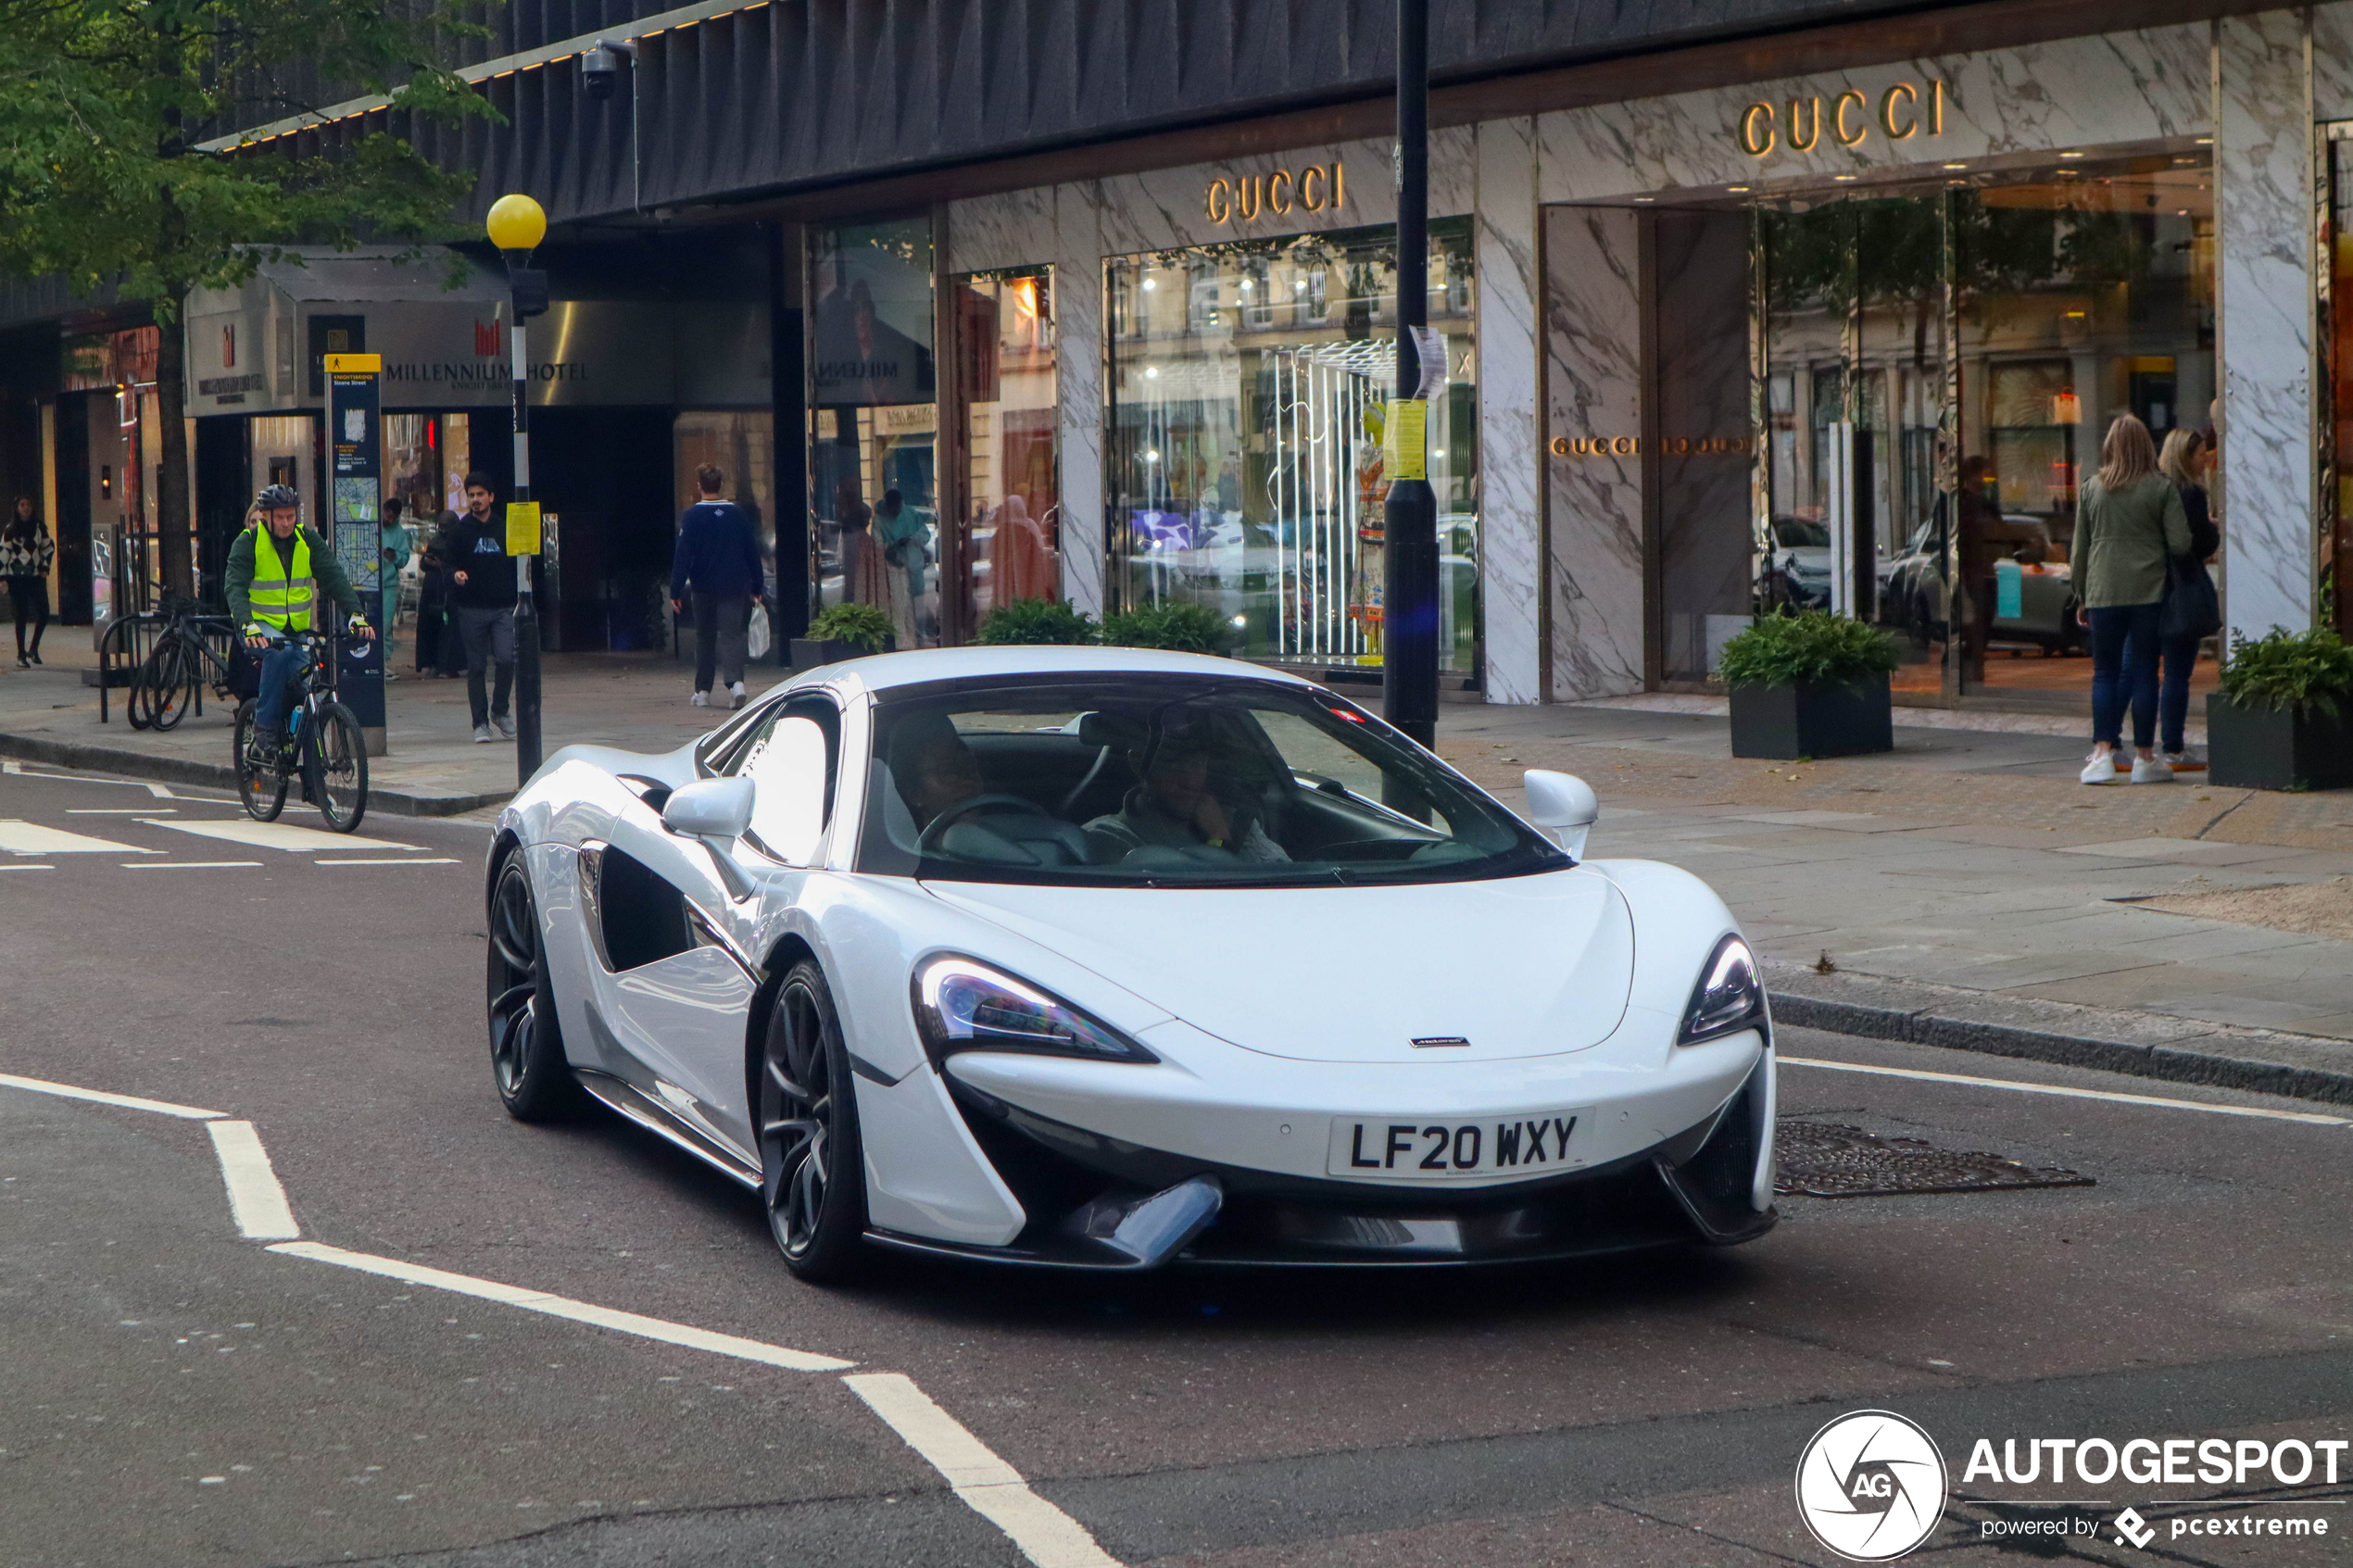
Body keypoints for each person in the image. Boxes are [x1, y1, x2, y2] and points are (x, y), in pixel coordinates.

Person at [2074, 415, 2192, 786]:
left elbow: (2080, 549)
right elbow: (2181, 544)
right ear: (2147, 446)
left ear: (2110, 446)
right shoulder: (2161, 487)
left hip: (2102, 591)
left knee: (2105, 673)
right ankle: (2144, 758)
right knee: (2145, 671)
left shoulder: (2092, 488)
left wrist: (2081, 594)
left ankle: (2102, 755)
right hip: (2149, 591)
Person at [225, 484, 372, 768]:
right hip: (259, 628)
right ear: (266, 516)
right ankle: (264, 728)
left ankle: (312, 779)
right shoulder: (248, 542)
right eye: (280, 517)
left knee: (308, 694)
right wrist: (247, 624)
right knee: (278, 654)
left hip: (297, 631)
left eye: (290, 516)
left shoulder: (307, 540)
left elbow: (333, 576)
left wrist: (355, 613)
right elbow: (235, 587)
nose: (286, 523)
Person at [1087, 724, 1289, 863]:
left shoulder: (1234, 819)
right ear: (1140, 766)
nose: (1189, 780)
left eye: (1196, 764)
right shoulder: (1107, 837)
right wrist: (1218, 839)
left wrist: (1221, 833)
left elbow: (1282, 871)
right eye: (1172, 765)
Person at [669, 464, 765, 709]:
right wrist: (757, 584)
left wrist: (676, 589)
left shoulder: (691, 517)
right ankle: (736, 684)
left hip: (702, 586)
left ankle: (703, 690)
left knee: (705, 637)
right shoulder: (737, 515)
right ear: (720, 486)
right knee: (732, 636)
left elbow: (683, 555)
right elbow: (751, 552)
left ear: (700, 486)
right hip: (733, 586)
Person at [433, 473, 520, 743]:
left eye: (481, 495)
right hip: (471, 609)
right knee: (477, 666)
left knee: (506, 659)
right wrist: (455, 575)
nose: (476, 500)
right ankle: (480, 723)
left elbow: (519, 562)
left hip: (503, 607)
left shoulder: (503, 527)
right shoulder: (461, 531)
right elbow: (447, 565)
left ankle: (500, 711)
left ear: (491, 497)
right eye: (471, 495)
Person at [2157, 428, 2221, 770]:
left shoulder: (2156, 491)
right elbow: (2198, 546)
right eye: (2199, 455)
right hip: (2182, 590)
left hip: (2152, 588)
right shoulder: (2191, 495)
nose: (2205, 460)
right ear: (2186, 457)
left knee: (2141, 671)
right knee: (2178, 674)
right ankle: (2174, 747)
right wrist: (2212, 529)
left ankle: (2138, 748)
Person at [868, 488, 925, 647]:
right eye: (893, 509)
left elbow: (925, 534)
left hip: (913, 568)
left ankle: (916, 640)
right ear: (887, 506)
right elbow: (877, 546)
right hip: (893, 571)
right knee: (898, 609)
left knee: (915, 610)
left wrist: (913, 539)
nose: (896, 512)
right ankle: (900, 644)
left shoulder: (910, 514)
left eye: (898, 508)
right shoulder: (879, 521)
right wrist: (894, 545)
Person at [2, 496, 53, 668]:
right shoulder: (10, 529)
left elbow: (48, 547)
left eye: (28, 505)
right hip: (16, 578)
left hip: (35, 576)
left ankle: (34, 648)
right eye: (22, 505)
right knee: (21, 615)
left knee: (44, 611)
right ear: (16, 508)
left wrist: (45, 567)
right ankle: (20, 654)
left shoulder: (39, 528)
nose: (25, 508)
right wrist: (2, 578)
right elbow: (4, 553)